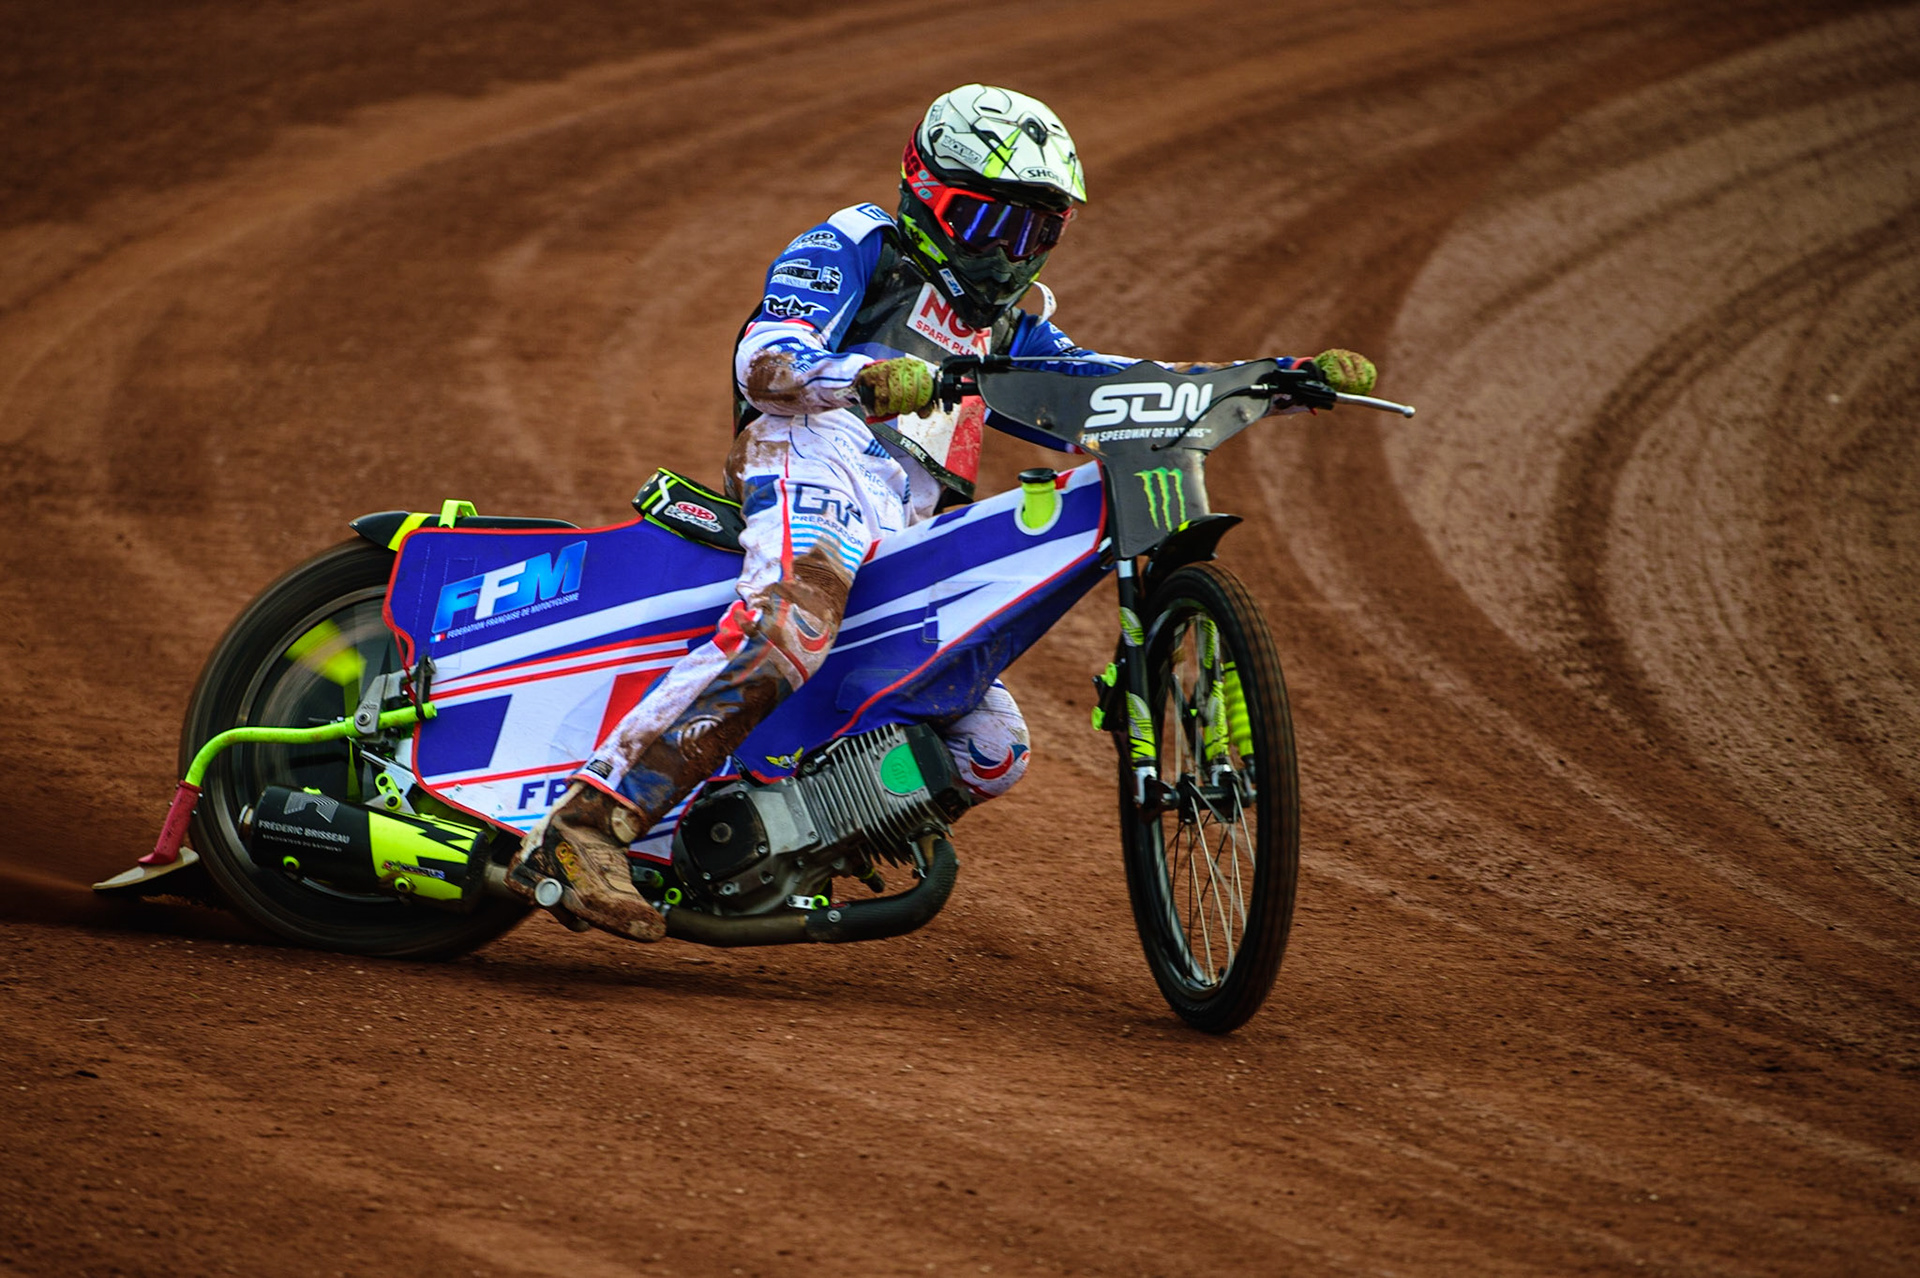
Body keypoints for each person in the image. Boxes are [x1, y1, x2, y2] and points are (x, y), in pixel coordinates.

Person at [508, 84, 1378, 940]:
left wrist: (1273, 379)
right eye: (993, 223)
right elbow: (764, 354)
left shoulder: (1007, 326)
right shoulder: (857, 244)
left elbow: (1108, 389)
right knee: (791, 622)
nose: (1010, 255)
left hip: (901, 517)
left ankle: (773, 837)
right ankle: (587, 827)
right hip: (814, 454)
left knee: (993, 745)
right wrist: (859, 377)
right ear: (927, 191)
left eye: (1035, 231)